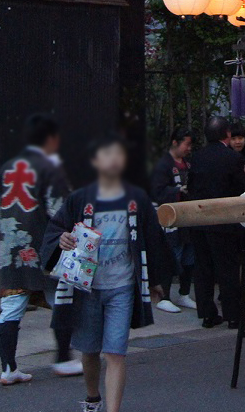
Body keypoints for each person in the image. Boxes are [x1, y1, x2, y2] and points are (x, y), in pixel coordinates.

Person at [42, 135, 172, 412]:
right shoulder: (79, 199)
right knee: (90, 351)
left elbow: (153, 239)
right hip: (87, 287)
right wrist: (62, 239)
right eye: (107, 155)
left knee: (115, 352)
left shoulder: (136, 199)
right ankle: (93, 398)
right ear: (95, 162)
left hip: (122, 286)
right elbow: (55, 230)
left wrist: (157, 281)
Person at [0, 113, 79, 385]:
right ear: (50, 139)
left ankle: (8, 368)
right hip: (45, 246)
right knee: (60, 300)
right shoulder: (50, 168)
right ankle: (63, 359)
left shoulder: (6, 167)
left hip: (10, 248)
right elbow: (62, 211)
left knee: (10, 307)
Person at [187, 115, 245, 328]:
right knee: (228, 268)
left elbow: (191, 186)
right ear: (227, 134)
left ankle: (207, 314)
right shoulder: (233, 158)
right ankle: (233, 315)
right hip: (224, 220)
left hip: (199, 219)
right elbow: (240, 189)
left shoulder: (197, 157)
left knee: (203, 268)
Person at [149, 127, 197, 314]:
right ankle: (165, 296)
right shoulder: (163, 164)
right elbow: (157, 192)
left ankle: (184, 293)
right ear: (175, 142)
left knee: (189, 258)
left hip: (187, 217)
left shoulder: (188, 164)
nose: (189, 148)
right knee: (171, 257)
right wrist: (178, 190)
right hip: (170, 219)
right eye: (187, 144)